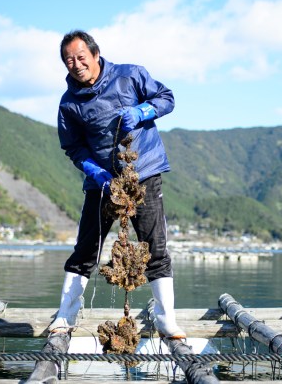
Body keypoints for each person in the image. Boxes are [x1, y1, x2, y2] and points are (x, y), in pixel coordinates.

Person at [50, 30, 185, 339]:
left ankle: (166, 320)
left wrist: (142, 111)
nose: (76, 64)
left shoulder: (130, 75)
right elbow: (73, 148)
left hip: (144, 174)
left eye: (81, 57)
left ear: (96, 55)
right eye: (69, 60)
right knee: (86, 249)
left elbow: (166, 98)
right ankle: (65, 315)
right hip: (103, 183)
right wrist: (96, 173)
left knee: (154, 248)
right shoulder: (69, 103)